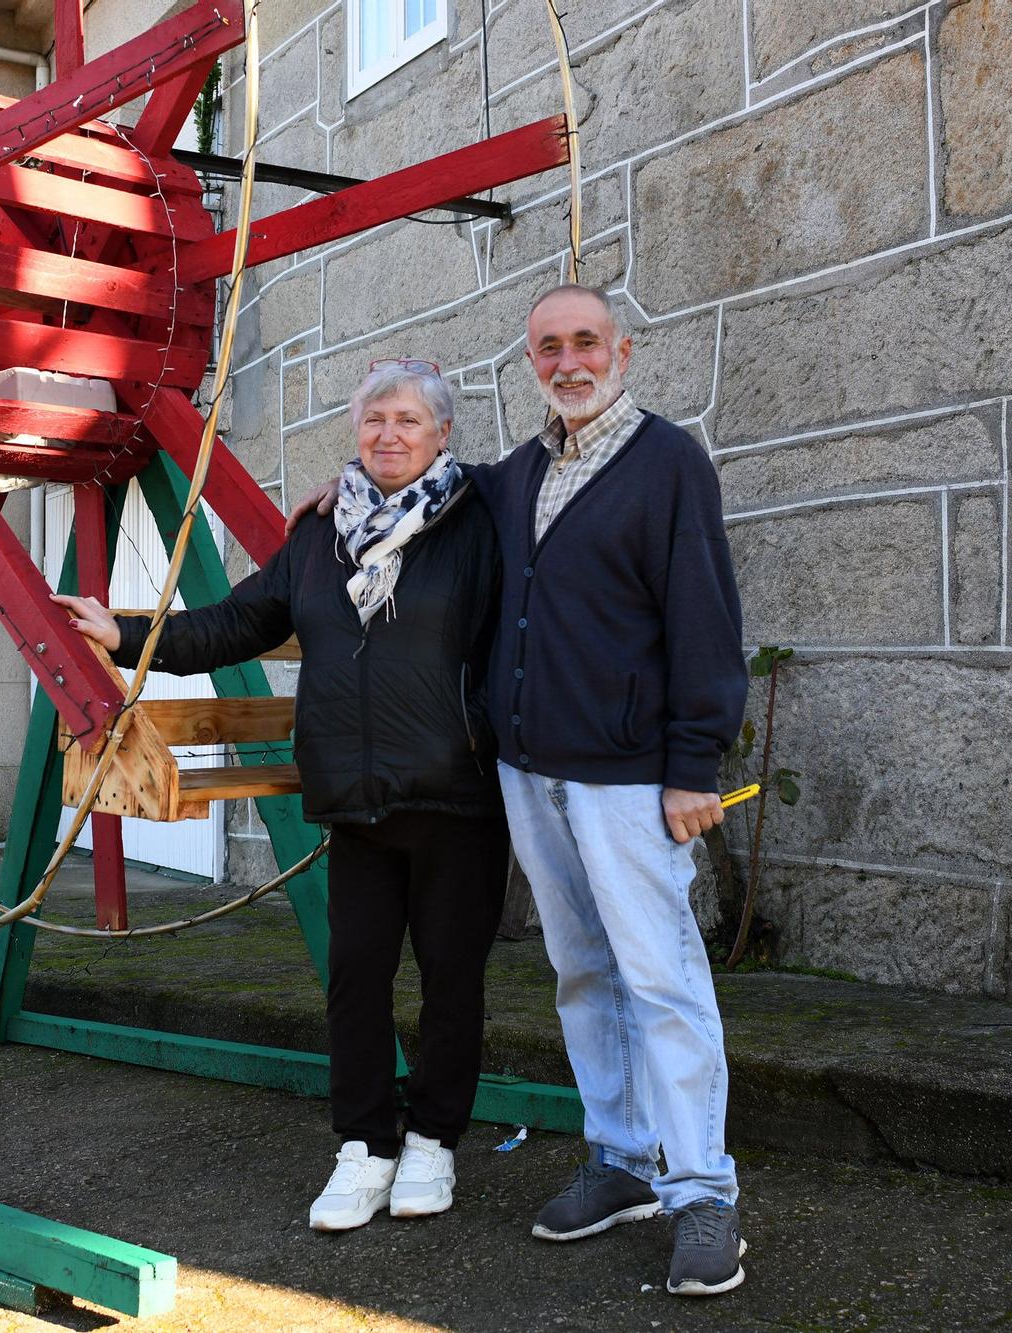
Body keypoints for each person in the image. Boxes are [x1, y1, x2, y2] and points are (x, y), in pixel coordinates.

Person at [290, 286, 749, 1295]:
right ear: (530, 363)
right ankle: (621, 1160)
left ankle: (701, 1193)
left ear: (620, 350)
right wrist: (338, 485)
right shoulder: (516, 476)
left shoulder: (667, 464)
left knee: (660, 973)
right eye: (548, 346)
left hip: (628, 775)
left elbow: (705, 618)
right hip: (528, 773)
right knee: (581, 971)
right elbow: (422, 482)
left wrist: (692, 765)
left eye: (585, 342)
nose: (568, 360)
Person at [53, 360, 509, 1234]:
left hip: (457, 796)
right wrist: (128, 632)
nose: (388, 434)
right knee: (355, 979)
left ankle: (434, 1141)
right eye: (374, 418)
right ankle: (367, 1144)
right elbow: (238, 620)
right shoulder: (319, 535)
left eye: (409, 420)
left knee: (453, 980)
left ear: (443, 434)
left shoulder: (480, 517)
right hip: (354, 801)